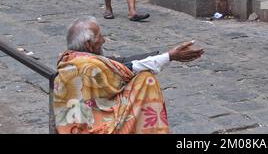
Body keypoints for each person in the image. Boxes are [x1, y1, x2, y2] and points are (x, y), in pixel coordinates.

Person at [53, 16, 204, 134]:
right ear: (88, 44)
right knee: (146, 80)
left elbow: (121, 63)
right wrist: (170, 56)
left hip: (81, 118)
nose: (103, 40)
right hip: (90, 126)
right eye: (100, 36)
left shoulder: (72, 57)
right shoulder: (88, 66)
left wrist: (164, 55)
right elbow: (128, 68)